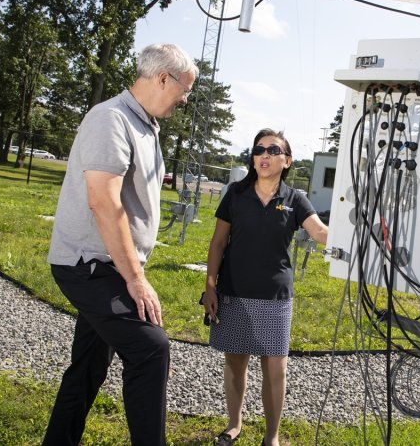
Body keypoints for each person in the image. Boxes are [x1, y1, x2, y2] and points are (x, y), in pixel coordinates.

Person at [44, 43, 198, 446]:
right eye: (185, 88)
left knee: (88, 369)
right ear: (163, 77)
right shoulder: (111, 118)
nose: (186, 97)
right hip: (90, 266)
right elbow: (103, 202)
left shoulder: (145, 125)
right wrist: (136, 278)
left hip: (110, 265)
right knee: (150, 349)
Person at [203, 129, 328, 446]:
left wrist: (361, 232)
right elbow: (218, 243)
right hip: (233, 291)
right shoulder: (235, 193)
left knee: (276, 370)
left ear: (287, 161)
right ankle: (234, 424)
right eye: (259, 150)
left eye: (274, 150)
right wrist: (211, 286)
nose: (265, 155)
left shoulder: (295, 199)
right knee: (235, 362)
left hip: (275, 297)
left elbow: (320, 232)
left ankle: (271, 437)